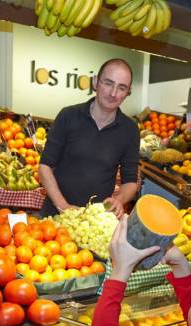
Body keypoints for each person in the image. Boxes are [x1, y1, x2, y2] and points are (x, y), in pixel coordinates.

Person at [38, 58, 140, 218]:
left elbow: (130, 181)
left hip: (95, 221)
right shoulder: (68, 116)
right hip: (54, 216)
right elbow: (45, 166)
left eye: (122, 88)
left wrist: (119, 199)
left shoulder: (130, 130)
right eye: (108, 83)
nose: (113, 93)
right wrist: (63, 206)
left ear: (128, 92)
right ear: (95, 82)